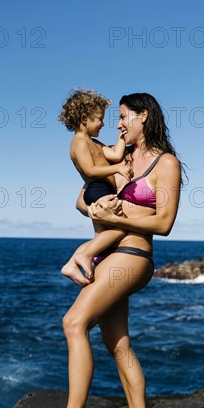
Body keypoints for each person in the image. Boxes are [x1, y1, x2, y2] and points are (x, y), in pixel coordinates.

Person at [33, 92, 182, 408]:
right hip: (107, 255)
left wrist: (122, 213)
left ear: (143, 116)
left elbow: (164, 223)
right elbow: (82, 198)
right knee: (118, 344)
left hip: (132, 256)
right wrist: (95, 210)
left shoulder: (167, 164)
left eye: (124, 117)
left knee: (74, 322)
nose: (117, 124)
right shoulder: (122, 158)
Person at [59, 89, 134, 285]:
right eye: (99, 119)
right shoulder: (79, 143)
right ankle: (83, 257)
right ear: (84, 118)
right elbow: (90, 171)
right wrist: (118, 169)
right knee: (120, 230)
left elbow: (116, 155)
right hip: (97, 189)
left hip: (103, 189)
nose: (103, 123)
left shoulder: (94, 143)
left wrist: (122, 136)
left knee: (101, 237)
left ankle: (71, 265)